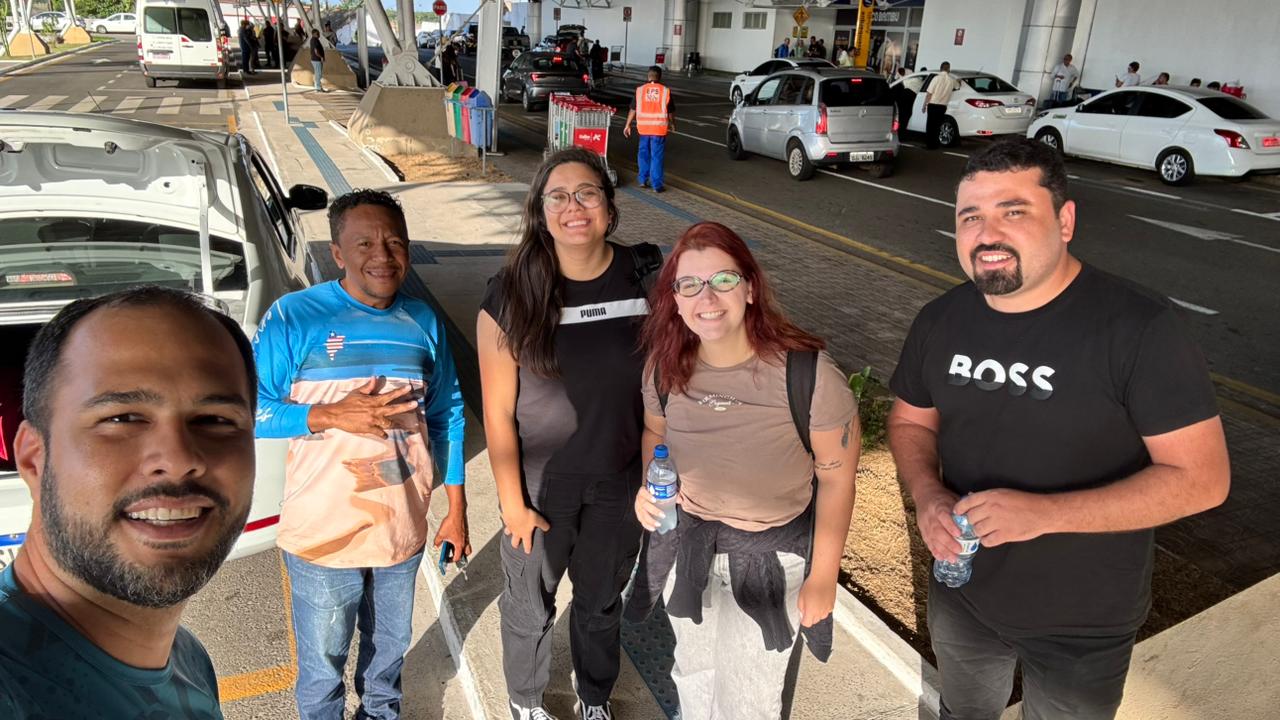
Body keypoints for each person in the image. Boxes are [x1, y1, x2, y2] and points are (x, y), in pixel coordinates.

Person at [888, 138, 1230, 720]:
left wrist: (1044, 515)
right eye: (970, 217)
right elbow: (909, 420)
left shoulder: (1139, 329)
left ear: (1065, 221)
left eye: (1013, 211)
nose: (987, 235)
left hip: (1085, 623)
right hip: (963, 594)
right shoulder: (940, 319)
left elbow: (1203, 479)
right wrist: (927, 496)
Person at [627, 222, 859, 720]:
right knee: (692, 675)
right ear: (675, 299)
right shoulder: (664, 367)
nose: (707, 297)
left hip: (770, 560)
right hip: (689, 549)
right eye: (690, 284)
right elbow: (655, 433)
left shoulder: (809, 375)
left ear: (750, 288)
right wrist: (651, 487)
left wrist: (823, 576)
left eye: (724, 280)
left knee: (747, 700)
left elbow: (838, 478)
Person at [253, 190, 469, 720]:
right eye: (365, 243)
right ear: (337, 253)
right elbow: (251, 410)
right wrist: (327, 415)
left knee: (388, 657)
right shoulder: (294, 316)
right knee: (322, 669)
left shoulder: (423, 319)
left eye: (394, 242)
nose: (383, 256)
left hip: (402, 531)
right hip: (323, 536)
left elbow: (448, 414)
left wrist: (456, 510)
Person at [0, 286, 258, 718]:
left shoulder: (188, 659)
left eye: (214, 420)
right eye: (122, 418)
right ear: (33, 458)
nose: (178, 460)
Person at [477, 147, 656, 720]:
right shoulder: (510, 293)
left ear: (609, 207)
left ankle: (594, 696)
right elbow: (498, 414)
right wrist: (513, 505)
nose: (573, 207)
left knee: (601, 603)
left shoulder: (646, 277)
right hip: (540, 488)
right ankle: (526, 701)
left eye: (587, 193)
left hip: (619, 482)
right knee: (529, 607)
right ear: (540, 210)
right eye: (558, 196)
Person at [623, 65, 675, 193]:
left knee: (643, 154)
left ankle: (642, 180)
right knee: (656, 156)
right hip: (658, 129)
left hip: (644, 129)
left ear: (648, 76)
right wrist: (672, 123)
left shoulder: (640, 90)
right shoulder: (665, 91)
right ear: (660, 77)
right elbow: (670, 111)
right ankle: (656, 185)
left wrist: (627, 125)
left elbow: (633, 109)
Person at [924, 61, 960, 149]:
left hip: (933, 105)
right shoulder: (951, 80)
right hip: (942, 107)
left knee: (930, 126)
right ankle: (936, 145)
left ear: (940, 68)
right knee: (937, 126)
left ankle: (929, 145)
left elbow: (929, 93)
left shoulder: (936, 78)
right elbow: (958, 86)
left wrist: (924, 105)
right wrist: (959, 81)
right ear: (949, 69)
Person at [892, 66, 916, 138]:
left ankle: (897, 133)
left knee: (898, 120)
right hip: (907, 109)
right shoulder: (909, 92)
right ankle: (900, 133)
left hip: (901, 108)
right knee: (903, 121)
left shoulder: (909, 73)